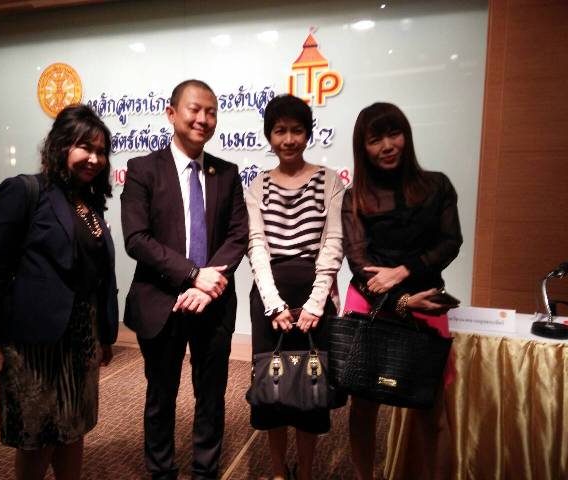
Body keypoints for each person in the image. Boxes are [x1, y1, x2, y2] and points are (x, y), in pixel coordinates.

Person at [0, 104, 119, 480]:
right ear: (60, 145)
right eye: (85, 147)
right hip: (34, 343)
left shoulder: (88, 202)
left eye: (101, 151)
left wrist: (103, 335)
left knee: (73, 428)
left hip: (80, 338)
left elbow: (96, 275)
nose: (95, 159)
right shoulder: (24, 191)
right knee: (38, 437)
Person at [120, 79, 248, 480]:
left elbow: (238, 235)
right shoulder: (143, 170)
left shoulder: (227, 172)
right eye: (195, 109)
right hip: (162, 300)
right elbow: (136, 239)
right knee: (161, 395)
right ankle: (162, 471)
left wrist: (208, 285)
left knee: (211, 396)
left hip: (214, 302)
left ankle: (205, 471)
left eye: (211, 112)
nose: (203, 119)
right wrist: (193, 275)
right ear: (171, 113)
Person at [342, 102, 463, 479]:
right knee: (364, 406)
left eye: (394, 134)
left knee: (429, 408)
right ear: (363, 148)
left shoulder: (437, 185)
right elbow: (358, 262)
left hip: (427, 304)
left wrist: (403, 271)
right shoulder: (354, 197)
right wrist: (400, 299)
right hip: (371, 303)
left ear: (406, 136)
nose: (387, 146)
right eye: (375, 139)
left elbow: (450, 242)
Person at [245, 94, 344, 480]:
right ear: (269, 135)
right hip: (270, 298)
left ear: (308, 134)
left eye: (297, 130)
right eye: (280, 130)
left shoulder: (330, 180)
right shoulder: (258, 186)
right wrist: (273, 304)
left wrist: (316, 303)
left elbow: (333, 244)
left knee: (310, 391)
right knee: (271, 389)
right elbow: (256, 246)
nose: (288, 139)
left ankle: (304, 471)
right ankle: (276, 470)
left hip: (314, 296)